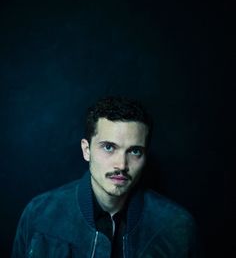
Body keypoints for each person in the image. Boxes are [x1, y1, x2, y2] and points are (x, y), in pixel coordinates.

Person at [12, 96, 202, 257]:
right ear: (86, 150)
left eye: (135, 151)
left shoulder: (177, 226)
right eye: (109, 147)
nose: (121, 165)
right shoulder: (39, 214)